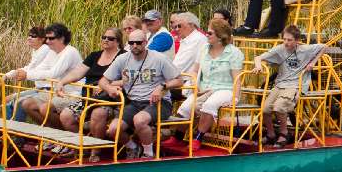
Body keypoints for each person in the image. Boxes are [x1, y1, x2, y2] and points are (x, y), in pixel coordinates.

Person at [98, 29, 183, 159]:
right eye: (131, 43)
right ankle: (132, 147)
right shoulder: (123, 59)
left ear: (145, 42)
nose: (135, 46)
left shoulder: (159, 58)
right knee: (113, 129)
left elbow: (179, 80)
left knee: (140, 120)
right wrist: (110, 89)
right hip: (134, 102)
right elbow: (103, 81)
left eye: (138, 42)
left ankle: (148, 154)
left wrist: (162, 86)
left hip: (158, 102)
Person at [251, 25, 339, 147]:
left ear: (297, 41)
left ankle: (284, 133)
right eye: (284, 39)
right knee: (265, 109)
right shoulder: (280, 49)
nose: (286, 42)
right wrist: (258, 65)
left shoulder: (304, 49)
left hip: (295, 85)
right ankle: (271, 134)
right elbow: (258, 57)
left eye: (289, 40)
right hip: (280, 84)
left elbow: (324, 47)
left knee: (279, 107)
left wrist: (313, 63)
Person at [163, 19, 243, 151]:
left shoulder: (233, 53)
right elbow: (194, 71)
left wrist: (235, 97)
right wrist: (195, 82)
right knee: (186, 107)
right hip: (205, 87)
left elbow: (237, 79)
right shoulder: (204, 49)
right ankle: (178, 137)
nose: (206, 35)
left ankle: (198, 138)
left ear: (220, 36)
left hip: (225, 89)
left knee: (210, 104)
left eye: (210, 33)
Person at [38, 27, 123, 135]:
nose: (106, 40)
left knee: (98, 113)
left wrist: (104, 85)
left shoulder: (123, 56)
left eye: (110, 38)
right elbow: (77, 72)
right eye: (104, 37)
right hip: (88, 97)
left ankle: (95, 150)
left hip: (109, 99)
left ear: (118, 41)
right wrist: (61, 83)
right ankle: (78, 143)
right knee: (66, 116)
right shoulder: (94, 55)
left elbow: (127, 79)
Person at [18, 23, 83, 123]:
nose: (47, 41)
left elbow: (53, 73)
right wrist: (17, 73)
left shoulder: (70, 52)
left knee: (45, 109)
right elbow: (40, 68)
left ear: (61, 39)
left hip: (73, 94)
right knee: (27, 104)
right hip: (57, 91)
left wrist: (27, 75)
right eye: (47, 38)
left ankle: (59, 134)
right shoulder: (52, 52)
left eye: (51, 38)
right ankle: (46, 131)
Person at [1, 25, 51, 120]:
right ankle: (6, 128)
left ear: (42, 39)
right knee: (7, 100)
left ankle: (16, 131)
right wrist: (7, 75)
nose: (29, 38)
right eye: (29, 35)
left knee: (18, 102)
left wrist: (8, 75)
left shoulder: (45, 49)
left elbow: (29, 70)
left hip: (49, 89)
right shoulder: (36, 50)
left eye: (33, 36)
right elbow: (28, 68)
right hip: (40, 88)